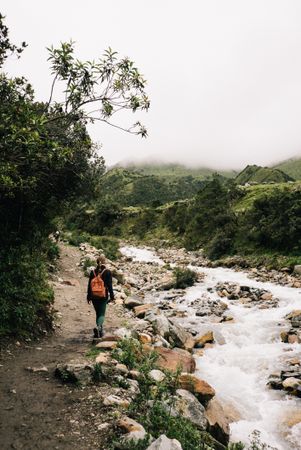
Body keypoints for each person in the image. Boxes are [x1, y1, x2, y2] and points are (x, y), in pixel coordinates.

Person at [87, 255, 114, 338]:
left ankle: (100, 329)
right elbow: (109, 285)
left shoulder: (93, 272)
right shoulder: (107, 272)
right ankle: (98, 328)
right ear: (104, 262)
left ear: (97, 262)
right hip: (103, 296)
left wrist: (88, 296)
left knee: (98, 313)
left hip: (94, 296)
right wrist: (112, 296)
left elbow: (89, 285)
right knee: (101, 314)